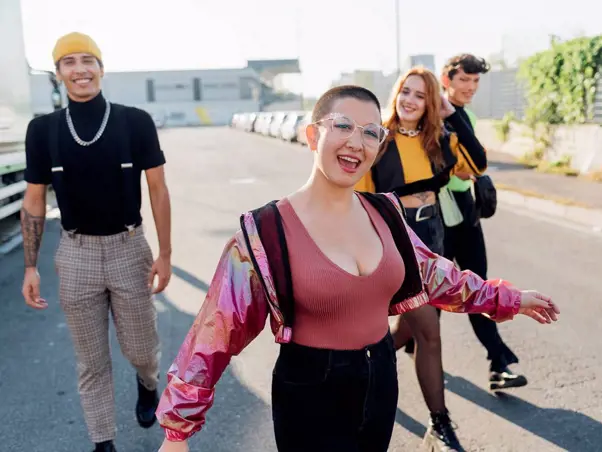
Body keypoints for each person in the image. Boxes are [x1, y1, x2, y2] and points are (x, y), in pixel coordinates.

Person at [155, 85, 559, 452]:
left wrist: (509, 299)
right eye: (343, 125)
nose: (356, 142)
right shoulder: (265, 232)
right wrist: (177, 431)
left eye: (370, 132)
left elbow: (439, 276)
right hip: (309, 388)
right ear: (313, 135)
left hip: (379, 376)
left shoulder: (386, 214)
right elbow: (214, 331)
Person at [20, 32, 172, 452]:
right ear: (58, 74)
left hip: (129, 248)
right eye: (69, 62)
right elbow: (34, 201)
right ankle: (102, 441)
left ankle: (147, 382)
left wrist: (165, 253)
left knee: (141, 349)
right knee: (91, 361)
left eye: (88, 60)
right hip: (76, 253)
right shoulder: (43, 130)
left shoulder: (133, 121)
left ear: (101, 68)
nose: (80, 69)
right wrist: (31, 266)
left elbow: (158, 189)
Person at [354, 66, 488, 451]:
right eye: (405, 92)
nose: (410, 101)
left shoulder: (439, 140)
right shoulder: (377, 140)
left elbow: (476, 166)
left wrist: (452, 114)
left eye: (420, 95)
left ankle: (361, 365)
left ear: (432, 103)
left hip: (435, 234)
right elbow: (359, 200)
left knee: (415, 325)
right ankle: (440, 424)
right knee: (429, 329)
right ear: (396, 94)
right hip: (395, 237)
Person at [440, 54, 527, 391]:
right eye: (464, 80)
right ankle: (406, 343)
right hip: (435, 211)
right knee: (428, 296)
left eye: (475, 82)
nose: (471, 88)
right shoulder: (432, 115)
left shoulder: (469, 116)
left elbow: (474, 165)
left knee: (478, 284)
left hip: (465, 208)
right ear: (446, 80)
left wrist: (467, 170)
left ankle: (499, 364)